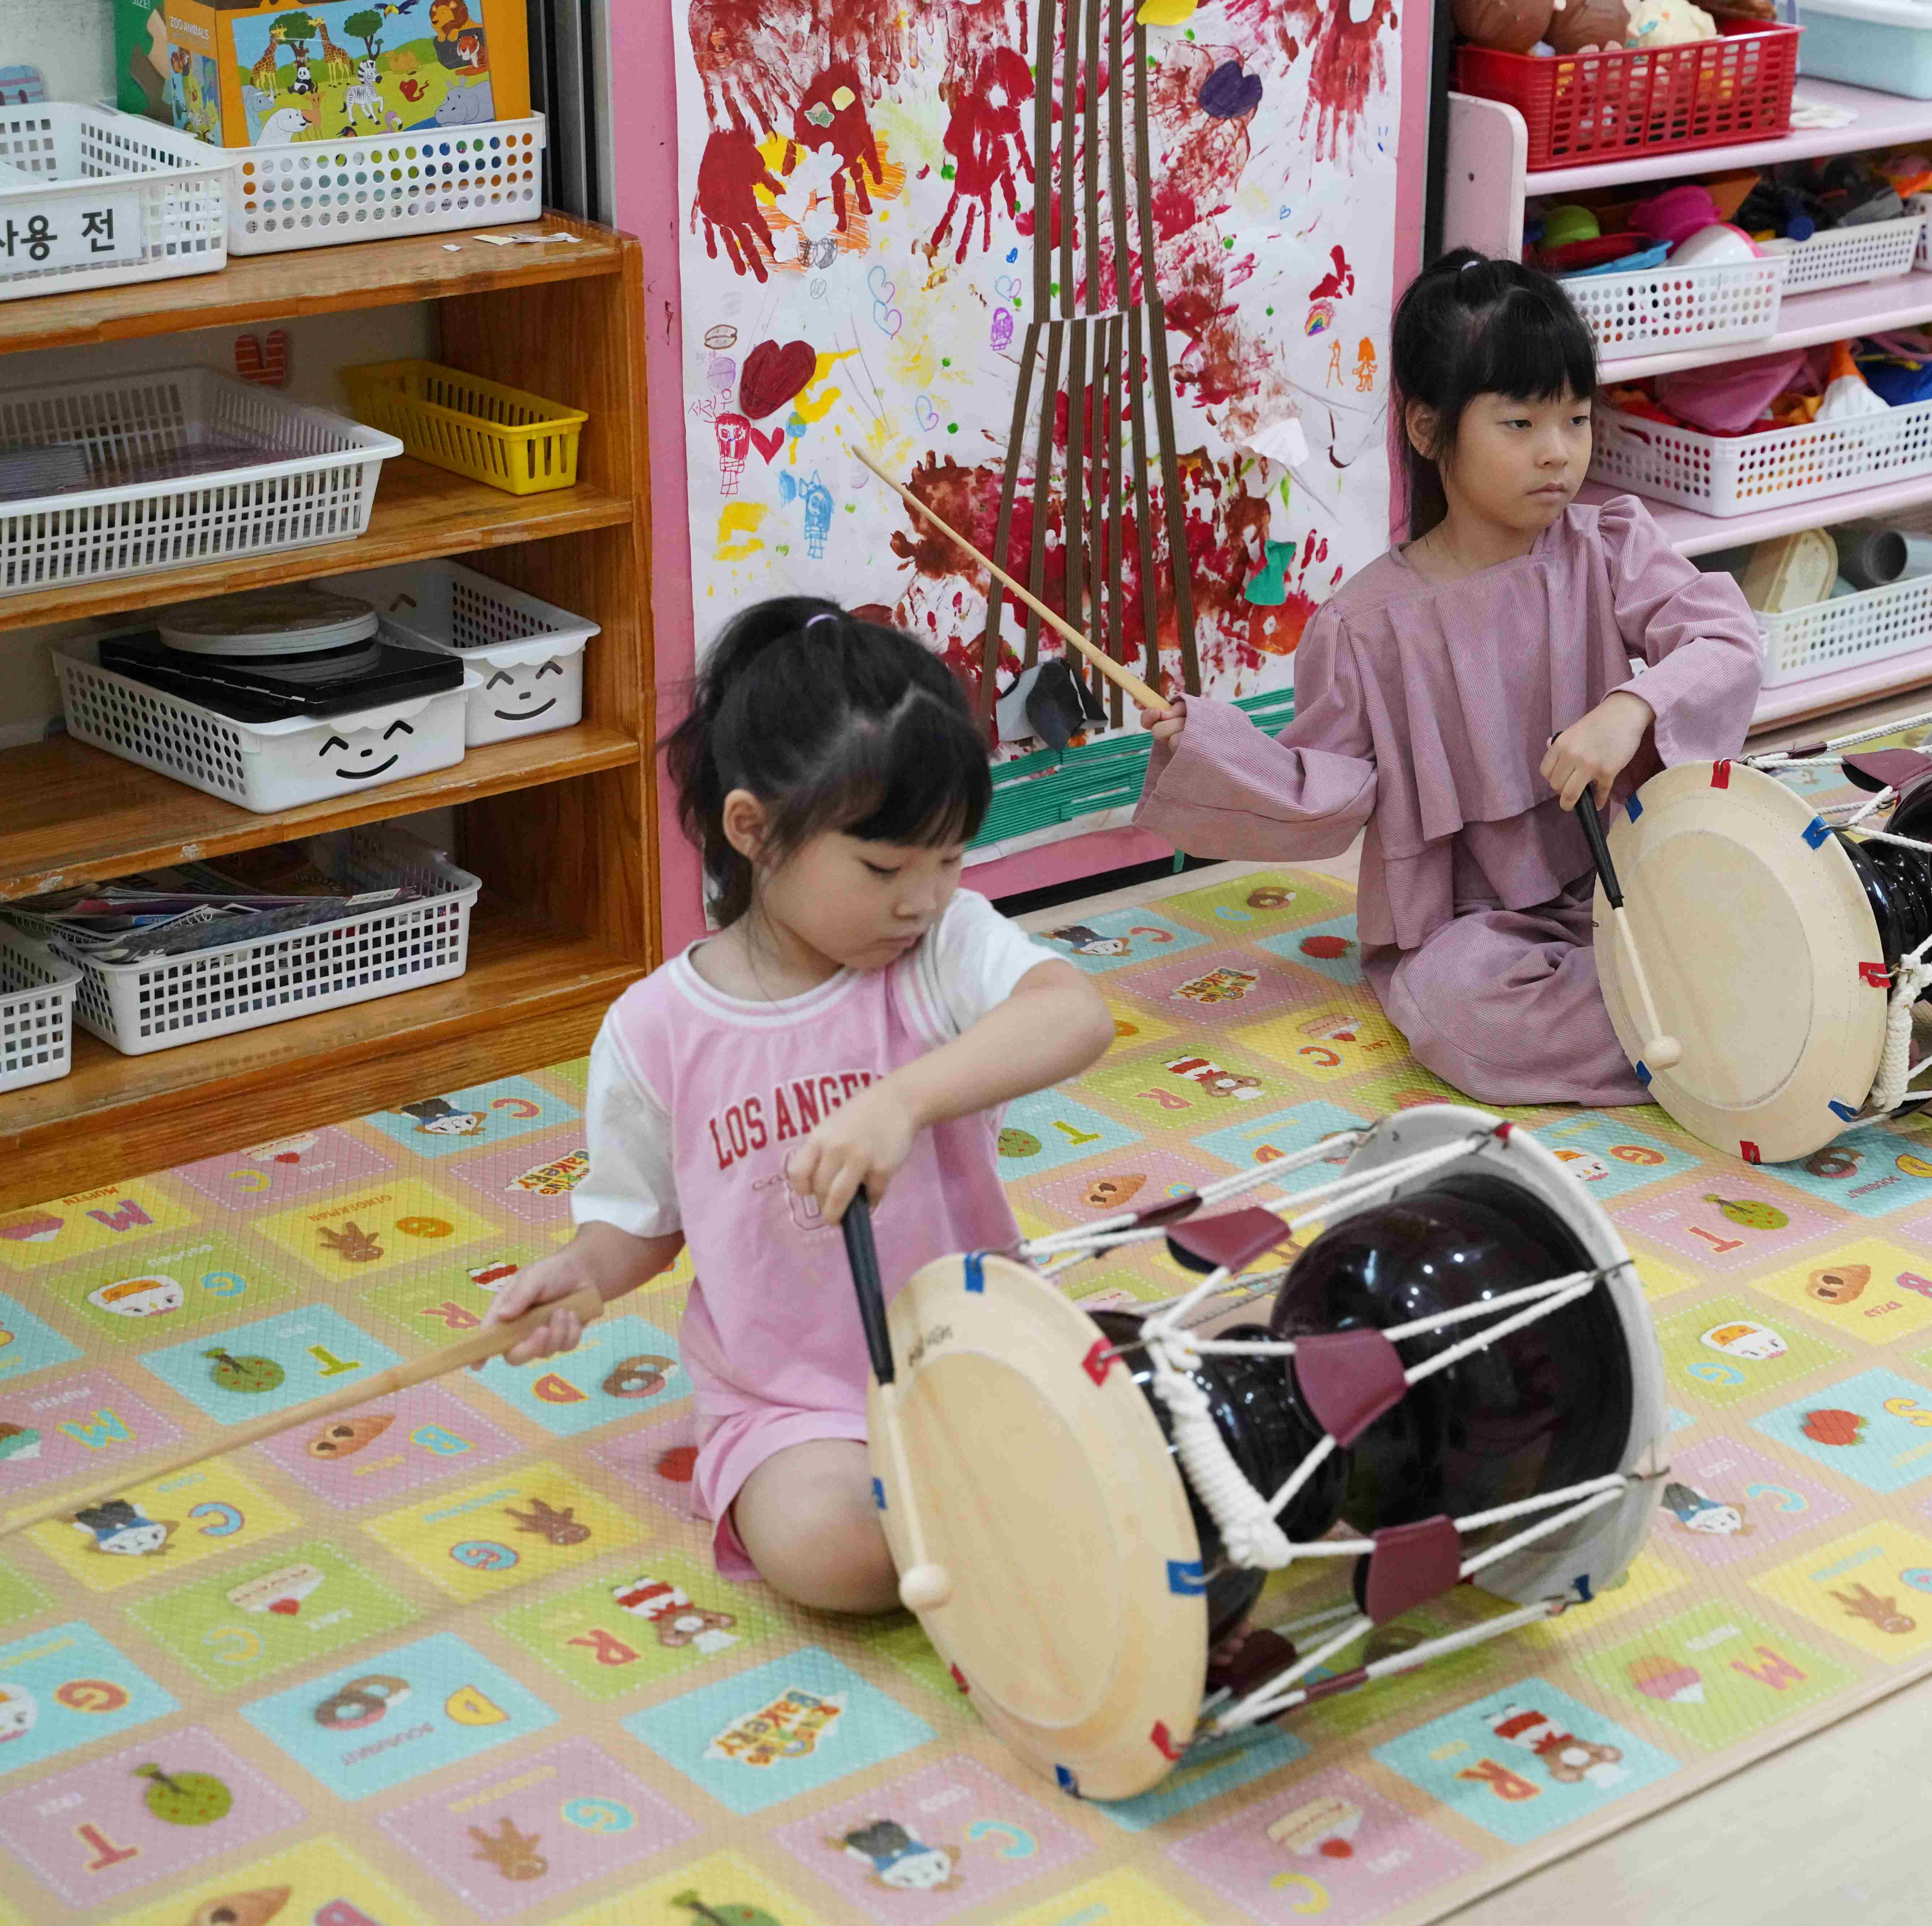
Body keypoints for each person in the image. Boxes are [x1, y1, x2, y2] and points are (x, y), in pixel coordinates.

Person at [478, 599, 1113, 1611]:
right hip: (796, 1407)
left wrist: (903, 1099)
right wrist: (579, 1278)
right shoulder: (655, 1030)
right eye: (884, 866)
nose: (922, 896)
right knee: (827, 1548)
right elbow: (641, 1225)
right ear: (755, 829)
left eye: (949, 859)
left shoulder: (944, 948)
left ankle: (1001, 1506)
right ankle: (1009, 1516)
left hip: (972, 1349)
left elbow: (1075, 1014)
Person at [1135, 251, 1765, 1104]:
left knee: (1765, 896)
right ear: (1430, 430)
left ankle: (1708, 1010)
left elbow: (1724, 640)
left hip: (1632, 874)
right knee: (1460, 1007)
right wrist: (1206, 745)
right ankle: (1727, 1030)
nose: (1557, 454)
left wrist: (1631, 705)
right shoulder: (1363, 627)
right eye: (1518, 425)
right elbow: (1323, 785)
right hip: (1470, 930)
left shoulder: (1610, 547)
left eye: (1575, 421)